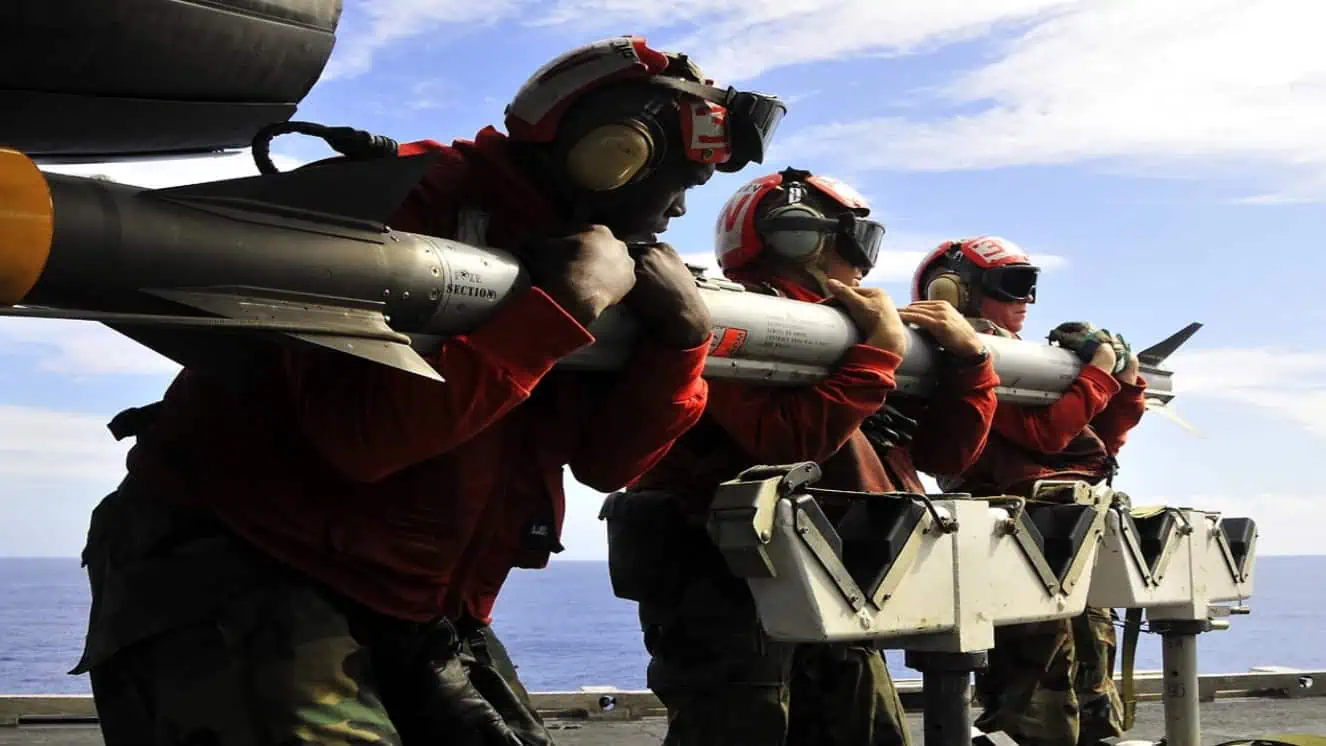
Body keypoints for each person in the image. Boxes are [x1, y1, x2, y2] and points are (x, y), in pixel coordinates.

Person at [71, 35, 787, 746]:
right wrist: (563, 305)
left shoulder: (599, 255)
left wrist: (682, 341)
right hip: (245, 569)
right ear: (616, 152)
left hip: (415, 600)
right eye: (684, 186)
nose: (683, 213)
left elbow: (609, 465)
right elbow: (365, 438)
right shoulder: (403, 206)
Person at [602, 167, 1001, 746]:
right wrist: (878, 356)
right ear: (798, 237)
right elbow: (786, 445)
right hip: (729, 587)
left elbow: (945, 455)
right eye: (854, 240)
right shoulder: (738, 323)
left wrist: (969, 367)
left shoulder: (848, 334)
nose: (863, 262)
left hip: (835, 581)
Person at [912, 236, 1148, 746]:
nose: (1026, 300)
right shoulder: (965, 356)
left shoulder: (1024, 362)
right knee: (1035, 692)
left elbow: (1095, 446)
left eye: (1031, 285)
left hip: (1069, 531)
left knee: (1091, 679)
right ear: (956, 290)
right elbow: (1041, 435)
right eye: (1014, 285)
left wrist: (1124, 386)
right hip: (1018, 537)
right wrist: (1098, 378)